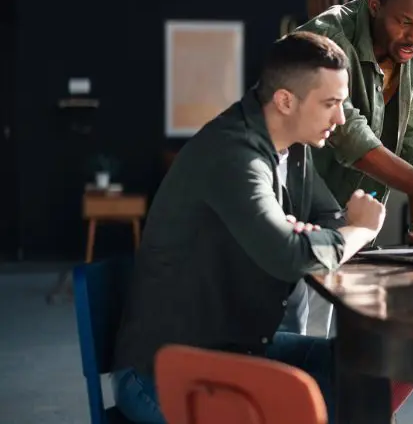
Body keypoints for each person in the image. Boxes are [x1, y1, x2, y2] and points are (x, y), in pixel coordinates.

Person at [110, 32, 387, 423]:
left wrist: (313, 236)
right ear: (285, 100)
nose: (340, 119)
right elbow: (292, 255)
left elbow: (327, 221)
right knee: (312, 402)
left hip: (238, 350)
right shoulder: (232, 154)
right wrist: (362, 230)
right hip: (166, 371)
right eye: (331, 104)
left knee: (366, 371)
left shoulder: (294, 150)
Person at [296, 0, 413, 245]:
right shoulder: (326, 39)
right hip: (295, 219)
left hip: (356, 230)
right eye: (405, 22)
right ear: (374, 4)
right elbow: (354, 140)